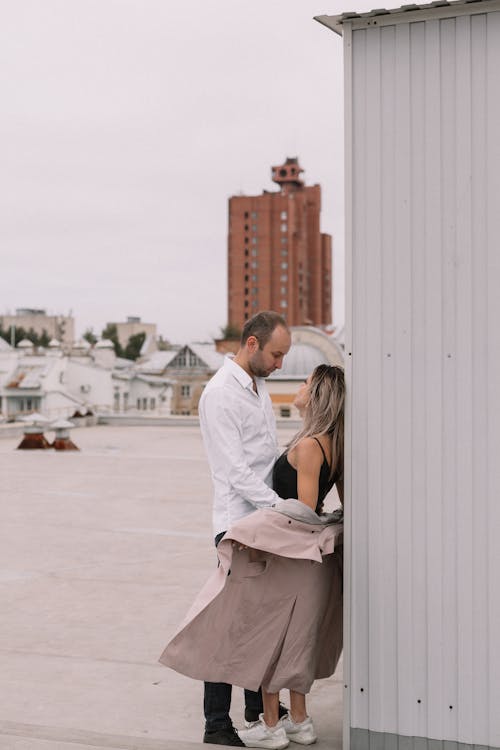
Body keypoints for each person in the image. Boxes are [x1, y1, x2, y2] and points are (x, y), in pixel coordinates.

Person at [160, 363, 345, 749]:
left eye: (305, 382)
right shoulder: (332, 443)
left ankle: (265, 725)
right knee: (293, 639)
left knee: (260, 634)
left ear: (317, 396)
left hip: (286, 554)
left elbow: (303, 512)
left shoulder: (311, 446)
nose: (297, 385)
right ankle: (296, 720)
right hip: (302, 558)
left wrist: (254, 530)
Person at [197, 311, 292, 746]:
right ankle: (217, 723)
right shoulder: (220, 394)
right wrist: (283, 509)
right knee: (229, 627)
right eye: (276, 354)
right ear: (251, 344)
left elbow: (265, 457)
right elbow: (235, 471)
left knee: (259, 623)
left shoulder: (259, 387)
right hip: (237, 525)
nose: (280, 364)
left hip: (262, 521)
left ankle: (257, 709)